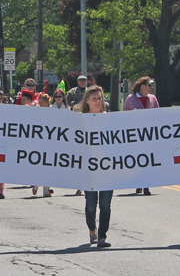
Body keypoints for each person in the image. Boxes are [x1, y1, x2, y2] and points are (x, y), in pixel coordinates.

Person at [77, 85, 113, 247]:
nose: (98, 101)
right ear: (87, 102)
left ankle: (102, 236)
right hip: (88, 169)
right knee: (91, 205)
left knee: (105, 204)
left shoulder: (109, 118)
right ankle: (92, 229)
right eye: (94, 99)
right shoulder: (80, 120)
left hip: (107, 168)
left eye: (100, 98)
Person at [123, 76, 159, 195]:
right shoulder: (131, 99)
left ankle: (146, 185)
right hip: (135, 135)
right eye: (149, 85)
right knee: (139, 160)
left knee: (148, 160)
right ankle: (138, 183)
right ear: (142, 86)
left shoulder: (153, 98)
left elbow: (158, 114)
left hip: (149, 135)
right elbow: (124, 116)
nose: (151, 88)